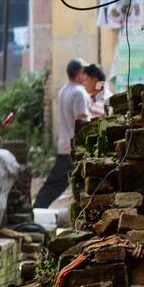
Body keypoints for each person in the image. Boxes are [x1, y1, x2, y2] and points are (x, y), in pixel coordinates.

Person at [33, 59, 92, 211]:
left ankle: (38, 208)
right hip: (75, 146)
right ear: (78, 73)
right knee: (60, 182)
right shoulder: (79, 92)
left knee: (64, 182)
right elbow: (81, 122)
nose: (85, 75)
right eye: (83, 72)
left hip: (64, 144)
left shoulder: (63, 91)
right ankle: (37, 209)